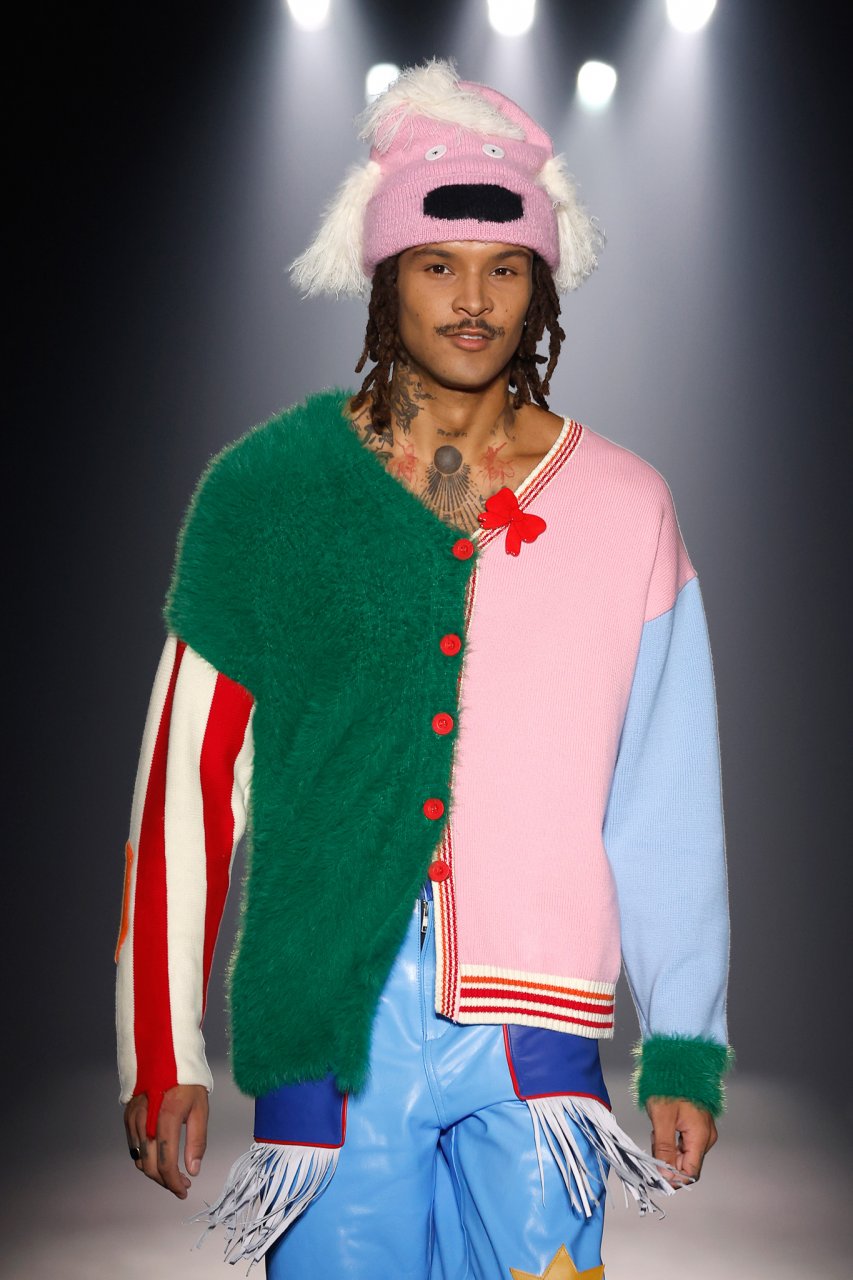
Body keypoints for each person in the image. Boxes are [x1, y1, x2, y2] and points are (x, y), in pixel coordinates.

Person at [115, 59, 733, 1279]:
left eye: (505, 267)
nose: (473, 300)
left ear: (540, 281)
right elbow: (187, 786)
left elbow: (663, 797)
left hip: (536, 1023)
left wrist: (683, 1041)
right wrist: (162, 1047)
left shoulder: (626, 506)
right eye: (438, 264)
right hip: (331, 1014)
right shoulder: (267, 495)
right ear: (384, 273)